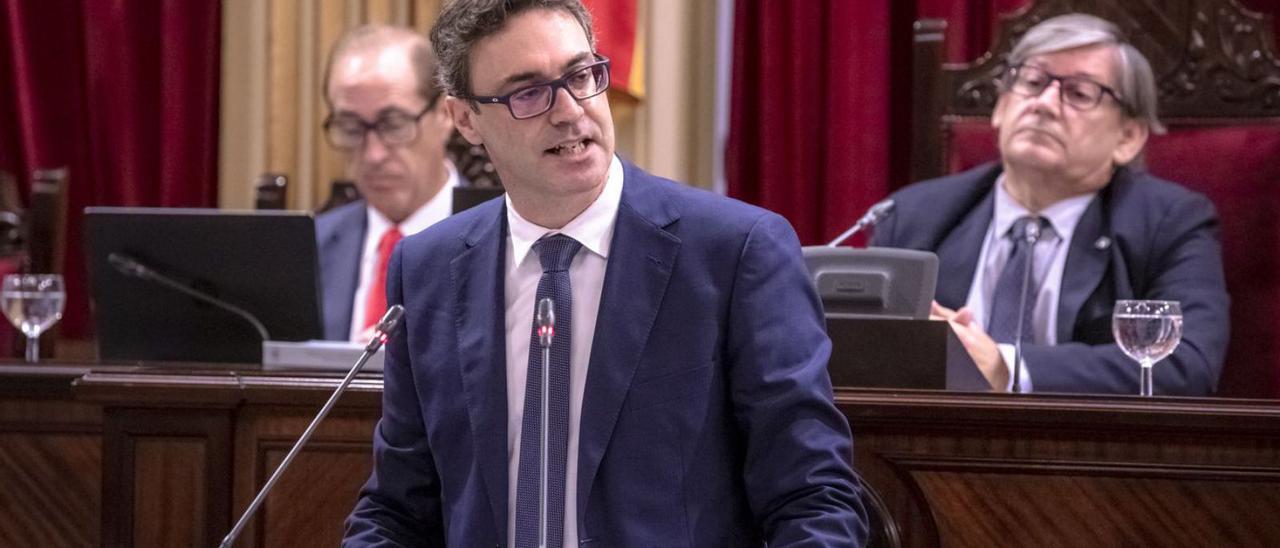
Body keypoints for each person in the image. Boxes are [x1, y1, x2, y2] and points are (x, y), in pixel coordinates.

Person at [343, 0, 867, 546]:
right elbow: (398, 508)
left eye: (581, 75)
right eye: (528, 93)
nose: (570, 110)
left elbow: (813, 497)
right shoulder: (427, 269)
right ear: (465, 119)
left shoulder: (735, 254)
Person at [872, 14, 1229, 396]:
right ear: (1000, 106)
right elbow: (859, 357)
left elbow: (1187, 365)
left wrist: (1004, 366)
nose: (1044, 104)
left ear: (1128, 137)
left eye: (1079, 93)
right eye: (1032, 81)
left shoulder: (1169, 223)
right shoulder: (911, 216)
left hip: (1088, 449)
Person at [316, 25, 463, 342]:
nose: (373, 154)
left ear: (445, 115)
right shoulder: (309, 249)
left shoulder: (506, 236)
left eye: (393, 125)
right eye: (351, 127)